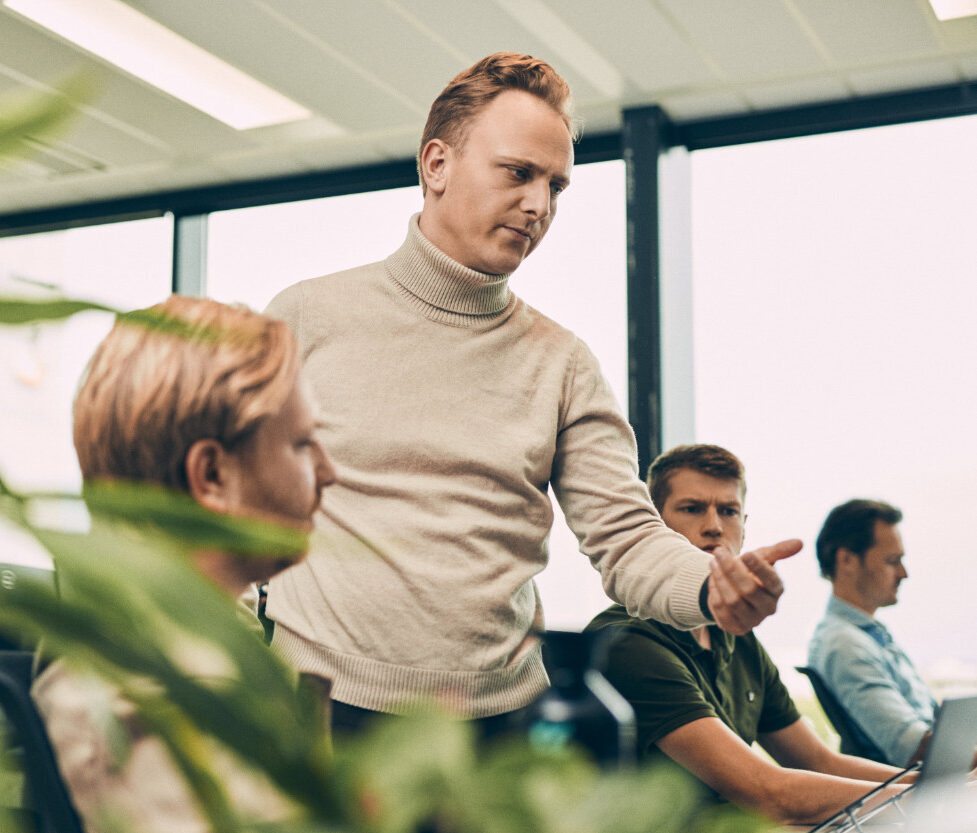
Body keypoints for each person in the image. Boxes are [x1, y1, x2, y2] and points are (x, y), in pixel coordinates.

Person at [263, 52, 800, 728]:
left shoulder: (562, 362)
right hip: (316, 709)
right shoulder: (305, 316)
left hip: (498, 724)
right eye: (518, 173)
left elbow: (626, 536)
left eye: (556, 186)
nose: (538, 205)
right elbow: (221, 501)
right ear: (436, 164)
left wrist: (709, 587)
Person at [32, 295, 337, 833]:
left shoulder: (163, 650)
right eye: (303, 444)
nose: (329, 472)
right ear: (213, 475)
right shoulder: (158, 714)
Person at [585, 445, 909, 825]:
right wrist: (923, 796)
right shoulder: (627, 641)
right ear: (652, 529)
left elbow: (819, 761)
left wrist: (936, 784)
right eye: (691, 509)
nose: (714, 526)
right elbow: (767, 793)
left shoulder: (736, 637)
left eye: (728, 511)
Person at [808, 499, 937, 767]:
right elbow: (914, 748)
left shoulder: (869, 634)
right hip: (907, 796)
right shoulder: (844, 644)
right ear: (846, 560)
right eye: (892, 561)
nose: (904, 573)